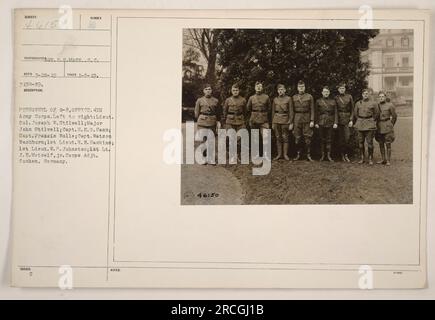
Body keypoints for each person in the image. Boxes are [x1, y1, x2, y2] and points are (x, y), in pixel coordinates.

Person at [194, 84, 220, 164]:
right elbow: (196, 113)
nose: (208, 91)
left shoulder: (216, 101)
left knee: (211, 140)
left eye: (209, 89)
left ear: (211, 90)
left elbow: (218, 113)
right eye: (206, 89)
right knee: (203, 141)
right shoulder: (200, 100)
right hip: (202, 122)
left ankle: (211, 159)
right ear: (203, 91)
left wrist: (218, 122)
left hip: (212, 121)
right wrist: (200, 119)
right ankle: (202, 158)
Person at [353, 89, 379, 165]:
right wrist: (360, 120)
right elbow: (355, 113)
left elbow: (377, 113)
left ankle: (370, 158)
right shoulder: (358, 103)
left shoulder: (373, 103)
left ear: (369, 94)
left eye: (367, 93)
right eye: (364, 93)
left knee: (370, 143)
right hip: (360, 123)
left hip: (369, 124)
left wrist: (372, 120)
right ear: (362, 95)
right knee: (360, 142)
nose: (365, 95)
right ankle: (362, 157)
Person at [222, 84, 247, 162]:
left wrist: (243, 119)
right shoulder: (228, 100)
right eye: (234, 90)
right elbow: (225, 111)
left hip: (240, 120)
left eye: (236, 90)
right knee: (231, 138)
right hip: (230, 121)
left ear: (239, 91)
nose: (235, 92)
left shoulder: (243, 100)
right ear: (231, 91)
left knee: (240, 139)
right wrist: (225, 121)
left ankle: (238, 155)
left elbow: (245, 111)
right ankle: (232, 155)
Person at [246, 81, 271, 158]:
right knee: (255, 138)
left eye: (260, 86)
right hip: (254, 119)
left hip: (264, 120)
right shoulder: (251, 98)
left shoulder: (266, 97)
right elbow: (248, 108)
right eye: (257, 87)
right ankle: (255, 154)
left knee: (266, 137)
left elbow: (269, 109)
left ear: (262, 88)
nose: (259, 88)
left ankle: (266, 154)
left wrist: (264, 114)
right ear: (255, 88)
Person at [292, 80, 315, 161]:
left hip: (307, 117)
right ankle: (298, 154)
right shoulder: (294, 97)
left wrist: (312, 120)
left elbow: (312, 109)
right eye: (299, 87)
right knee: (297, 137)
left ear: (305, 87)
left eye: (302, 87)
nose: (301, 88)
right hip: (297, 118)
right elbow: (292, 110)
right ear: (297, 88)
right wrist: (291, 121)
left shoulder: (309, 96)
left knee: (308, 137)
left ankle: (308, 155)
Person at [315, 86, 338, 162]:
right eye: (324, 92)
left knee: (329, 139)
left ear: (329, 93)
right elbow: (316, 113)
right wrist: (316, 122)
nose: (326, 93)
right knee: (321, 139)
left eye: (327, 92)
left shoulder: (333, 101)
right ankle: (322, 155)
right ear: (322, 93)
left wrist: (335, 122)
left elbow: (335, 112)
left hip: (330, 122)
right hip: (321, 122)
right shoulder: (318, 101)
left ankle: (328, 155)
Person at [272, 84, 294, 161]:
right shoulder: (275, 99)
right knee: (278, 137)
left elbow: (291, 111)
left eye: (282, 89)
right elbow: (273, 112)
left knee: (285, 137)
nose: (280, 91)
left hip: (285, 120)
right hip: (276, 120)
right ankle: (279, 154)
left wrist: (291, 122)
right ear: (277, 91)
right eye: (279, 90)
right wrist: (273, 122)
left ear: (285, 90)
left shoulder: (288, 99)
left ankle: (285, 154)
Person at [375, 91, 397, 166]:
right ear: (378, 98)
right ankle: (383, 159)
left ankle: (388, 160)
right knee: (381, 143)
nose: (381, 98)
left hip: (387, 125)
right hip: (379, 126)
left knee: (388, 143)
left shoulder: (390, 105)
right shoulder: (377, 106)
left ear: (385, 97)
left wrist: (391, 124)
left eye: (382, 96)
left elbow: (394, 116)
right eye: (380, 97)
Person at [334, 83, 354, 162]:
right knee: (341, 139)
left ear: (345, 89)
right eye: (340, 88)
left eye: (343, 88)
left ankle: (346, 154)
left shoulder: (349, 97)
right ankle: (342, 155)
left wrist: (351, 120)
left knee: (347, 138)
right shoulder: (336, 98)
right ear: (338, 90)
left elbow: (352, 109)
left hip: (347, 119)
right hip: (339, 120)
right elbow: (335, 110)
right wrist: (336, 121)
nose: (342, 90)